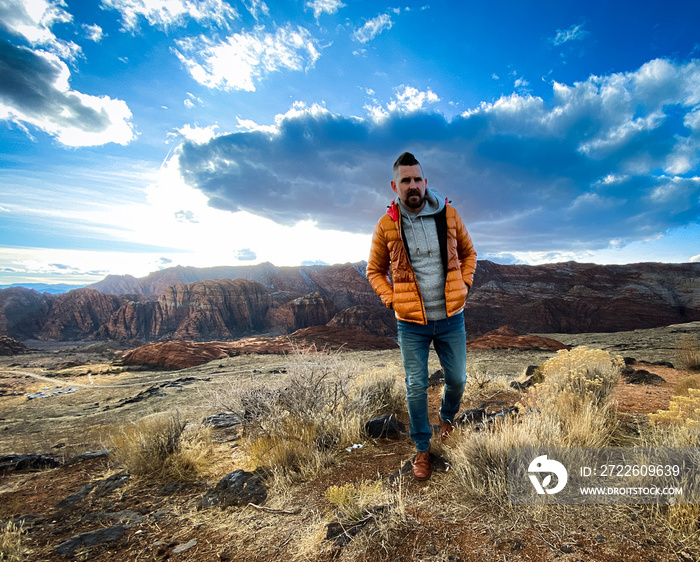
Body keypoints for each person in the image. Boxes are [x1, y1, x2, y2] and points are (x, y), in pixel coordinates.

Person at [366, 151, 477, 480]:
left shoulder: (449, 216)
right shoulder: (387, 225)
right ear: (394, 185)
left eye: (417, 179)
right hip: (411, 323)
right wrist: (392, 300)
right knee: (415, 385)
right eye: (405, 180)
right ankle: (421, 448)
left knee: (457, 379)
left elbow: (470, 254)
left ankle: (447, 417)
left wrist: (465, 283)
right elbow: (374, 271)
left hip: (450, 317)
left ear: (425, 182)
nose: (412, 185)